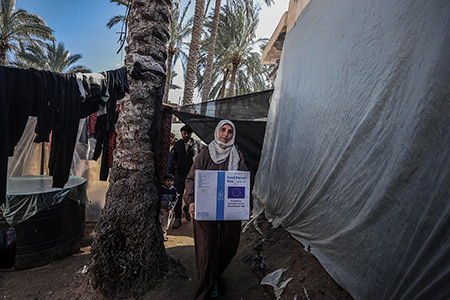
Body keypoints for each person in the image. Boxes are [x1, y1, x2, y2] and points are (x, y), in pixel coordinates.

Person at [184, 120, 248, 300]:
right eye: (223, 130)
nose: (226, 134)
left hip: (228, 211)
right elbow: (191, 179)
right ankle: (205, 291)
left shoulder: (237, 156)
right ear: (217, 132)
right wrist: (190, 201)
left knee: (230, 246)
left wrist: (243, 205)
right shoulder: (205, 154)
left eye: (229, 131)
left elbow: (242, 181)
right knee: (207, 249)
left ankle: (215, 276)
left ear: (232, 135)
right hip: (204, 210)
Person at [170, 124, 199, 228]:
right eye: (184, 133)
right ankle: (177, 217)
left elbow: (199, 157)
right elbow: (173, 157)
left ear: (191, 134)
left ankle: (186, 210)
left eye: (188, 133)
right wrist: (175, 165)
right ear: (182, 133)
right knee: (178, 196)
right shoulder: (177, 144)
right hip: (180, 175)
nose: (186, 135)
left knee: (190, 194)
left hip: (192, 176)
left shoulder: (196, 144)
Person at [159, 173, 178, 241]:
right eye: (167, 180)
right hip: (160, 209)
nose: (169, 182)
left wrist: (170, 207)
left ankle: (164, 234)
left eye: (171, 181)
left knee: (166, 223)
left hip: (168, 210)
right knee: (159, 221)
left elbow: (175, 199)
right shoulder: (161, 189)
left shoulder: (173, 190)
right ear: (164, 181)